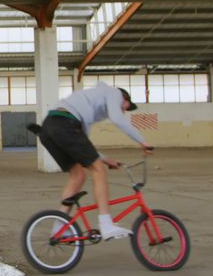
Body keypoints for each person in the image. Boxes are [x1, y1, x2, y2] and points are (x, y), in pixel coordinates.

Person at [30, 81, 154, 240]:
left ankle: (59, 227)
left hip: (49, 128)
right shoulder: (114, 93)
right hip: (64, 124)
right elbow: (117, 119)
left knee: (78, 176)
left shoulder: (87, 106)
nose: (124, 110)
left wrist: (105, 159)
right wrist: (143, 141)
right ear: (124, 98)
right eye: (126, 106)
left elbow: (84, 145)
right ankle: (106, 224)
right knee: (98, 171)